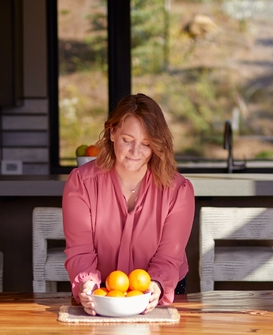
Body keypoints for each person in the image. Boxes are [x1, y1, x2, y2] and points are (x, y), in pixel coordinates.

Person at [62, 93, 195, 315]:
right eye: (127, 140)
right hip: (101, 291)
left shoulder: (177, 190)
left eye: (146, 143)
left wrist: (157, 286)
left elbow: (168, 257)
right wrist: (86, 286)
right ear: (112, 132)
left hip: (158, 290)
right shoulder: (81, 183)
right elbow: (80, 251)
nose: (135, 152)